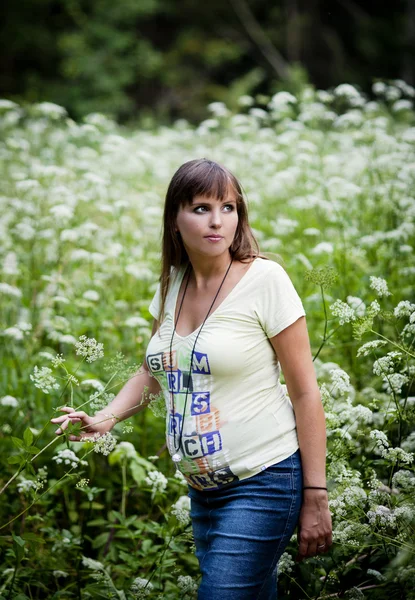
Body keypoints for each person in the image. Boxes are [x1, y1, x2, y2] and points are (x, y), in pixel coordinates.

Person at [51, 158, 332, 599]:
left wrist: (316, 492)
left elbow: (305, 391)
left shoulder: (266, 280)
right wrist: (105, 419)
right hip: (203, 491)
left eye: (228, 207)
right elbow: (154, 370)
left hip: (264, 479)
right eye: (201, 208)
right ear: (174, 220)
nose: (217, 220)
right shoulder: (171, 284)